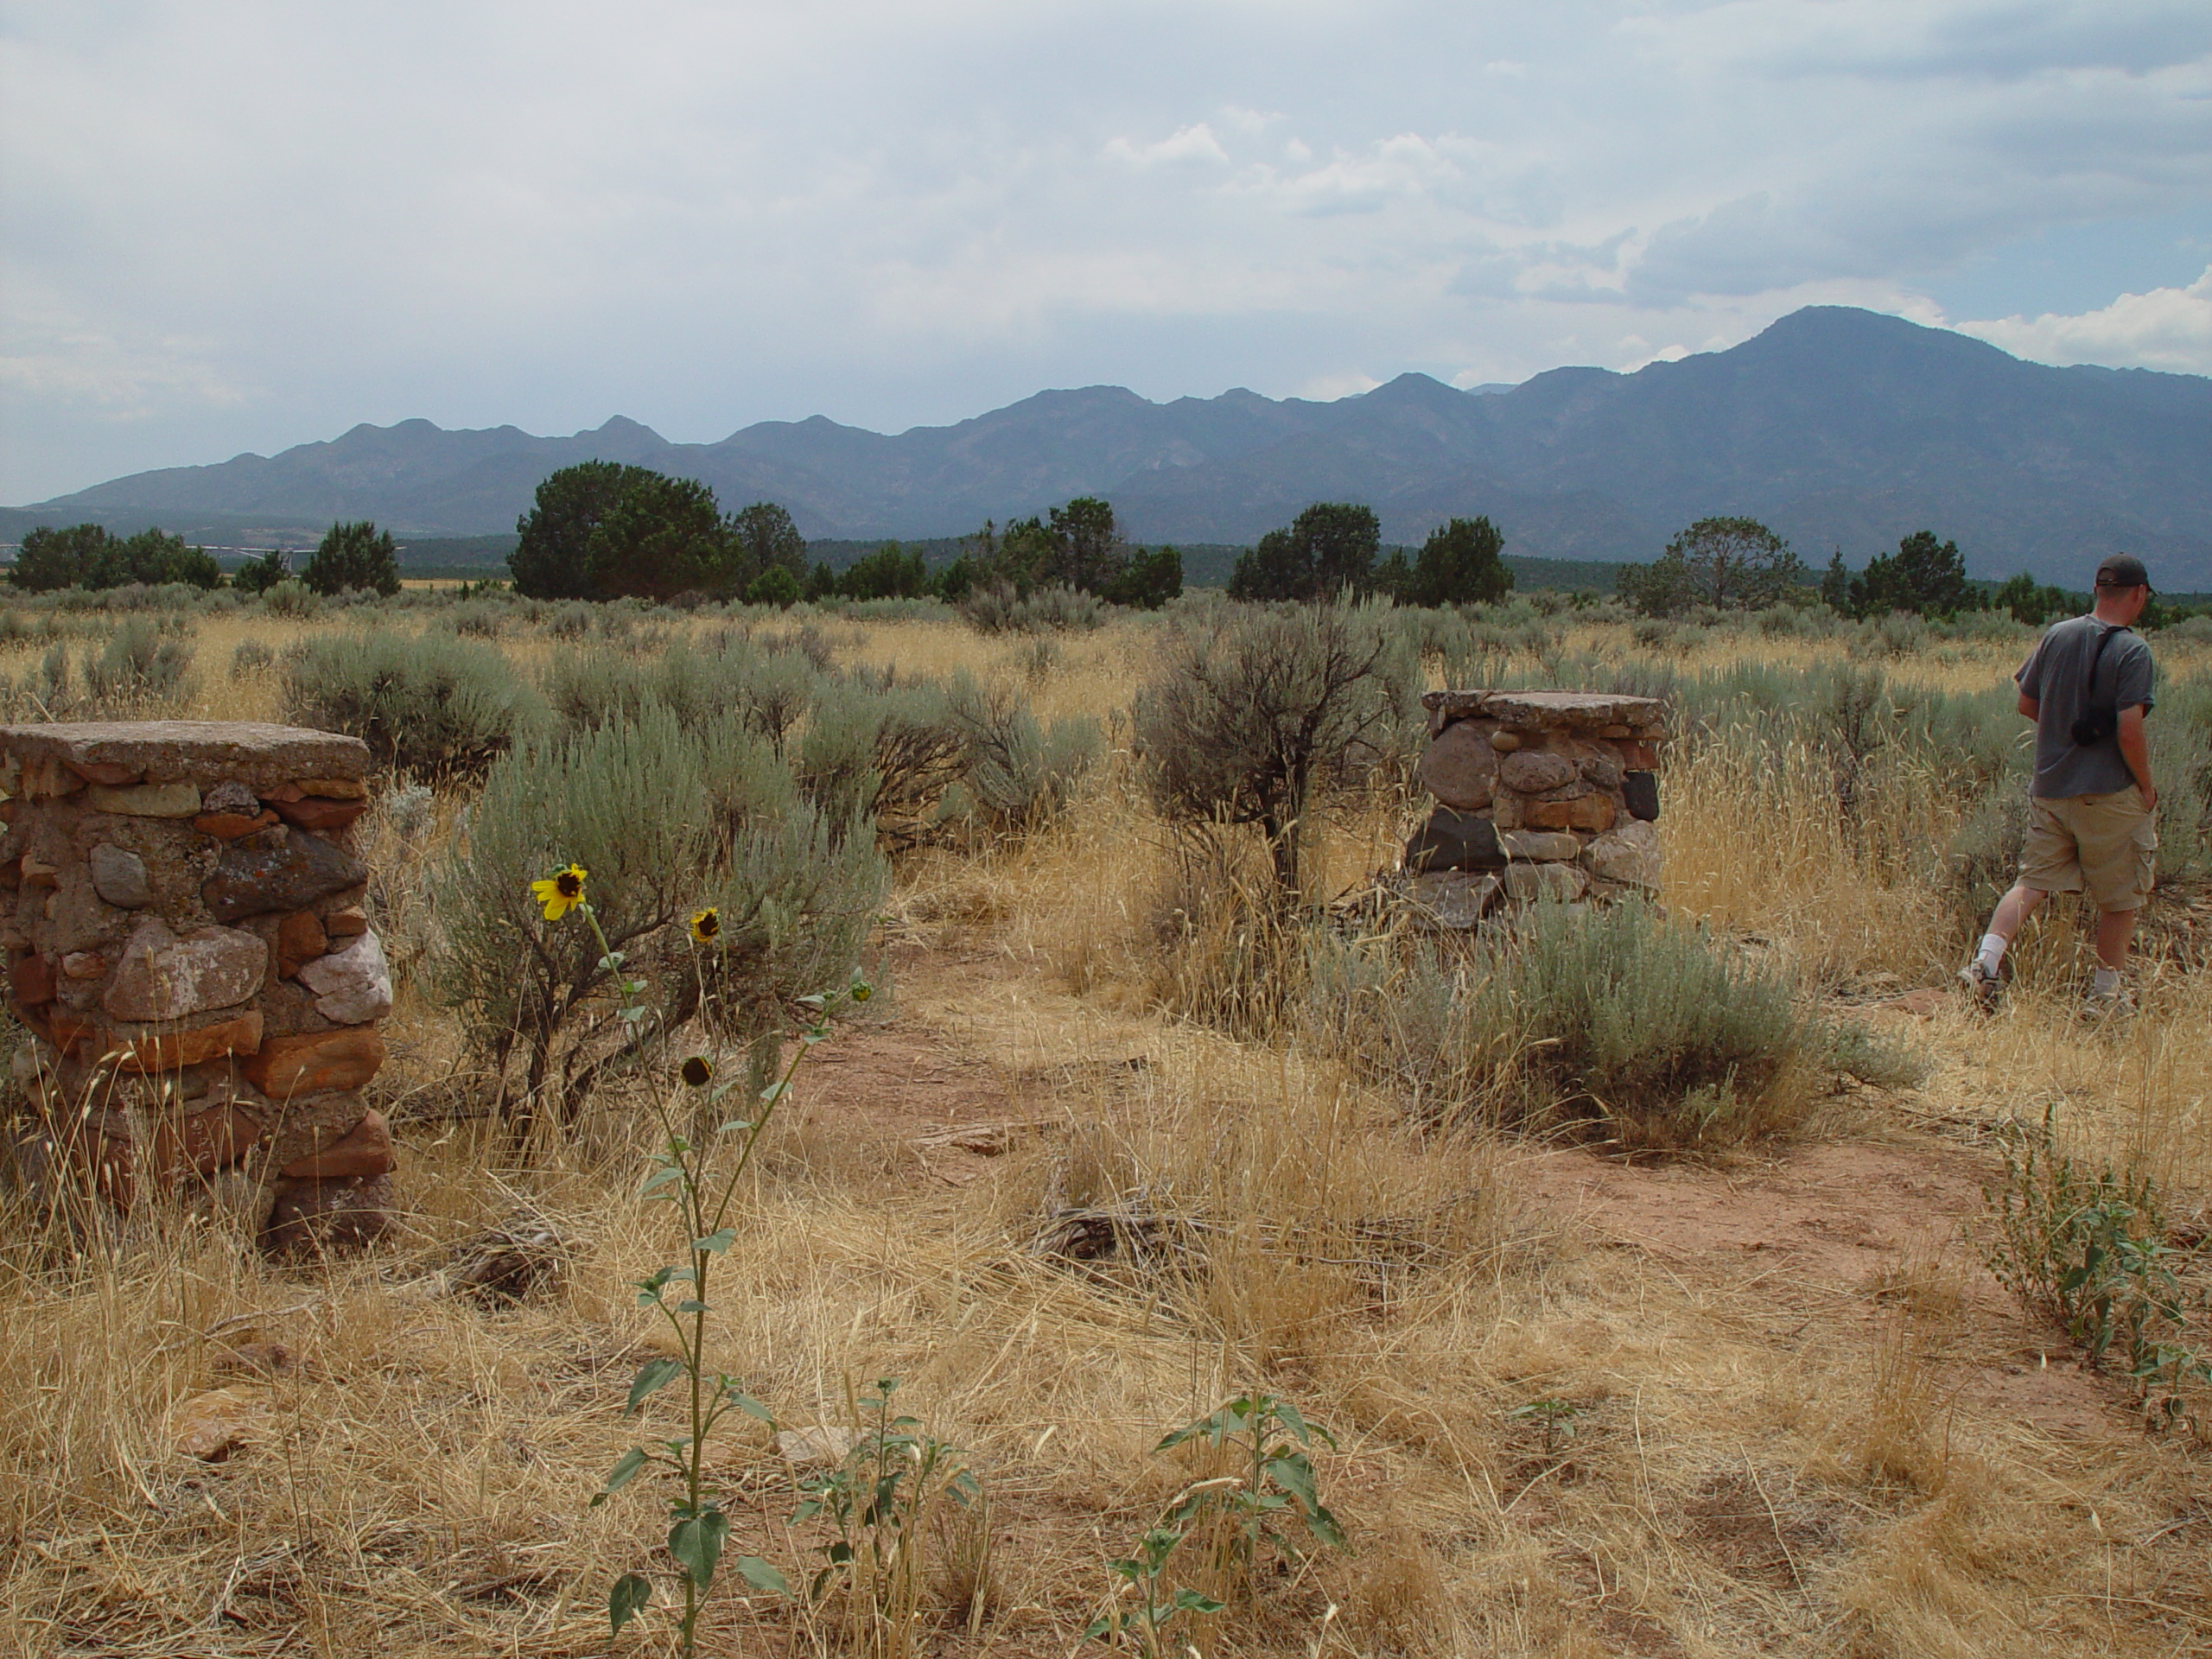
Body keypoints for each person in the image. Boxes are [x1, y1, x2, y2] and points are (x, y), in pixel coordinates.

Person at [1960, 554, 2158, 1013]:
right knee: (2120, 896)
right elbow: (2130, 730)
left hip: (2050, 788)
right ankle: (2104, 997)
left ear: (2097, 589)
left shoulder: (2057, 635)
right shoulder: (2134, 651)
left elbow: (2027, 704)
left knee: (2031, 883)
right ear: (2139, 594)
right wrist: (2145, 787)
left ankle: (1984, 965)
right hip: (2110, 794)